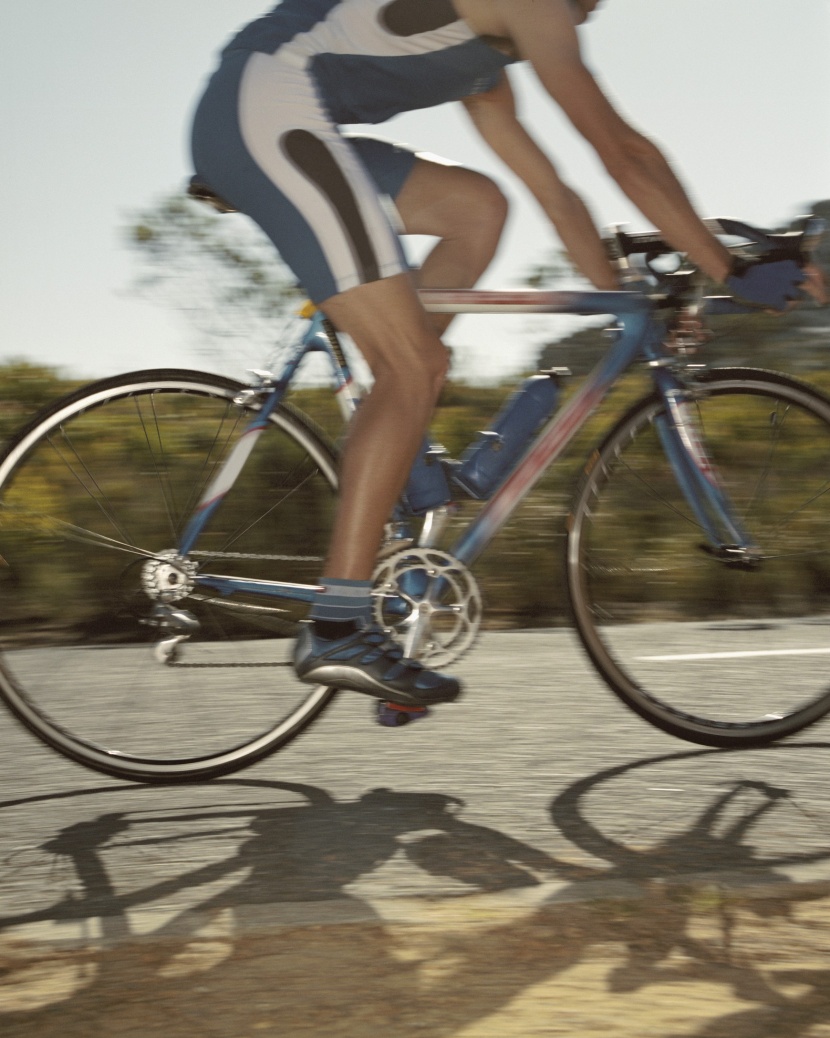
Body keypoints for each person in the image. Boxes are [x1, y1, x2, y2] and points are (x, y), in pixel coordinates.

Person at [191, 0, 819, 708]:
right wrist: (726, 267)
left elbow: (554, 191)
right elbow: (621, 150)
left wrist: (629, 299)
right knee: (414, 367)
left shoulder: (488, 64)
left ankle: (393, 440)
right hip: (267, 111)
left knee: (477, 207)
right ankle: (338, 622)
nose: (590, 13)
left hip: (278, 117)